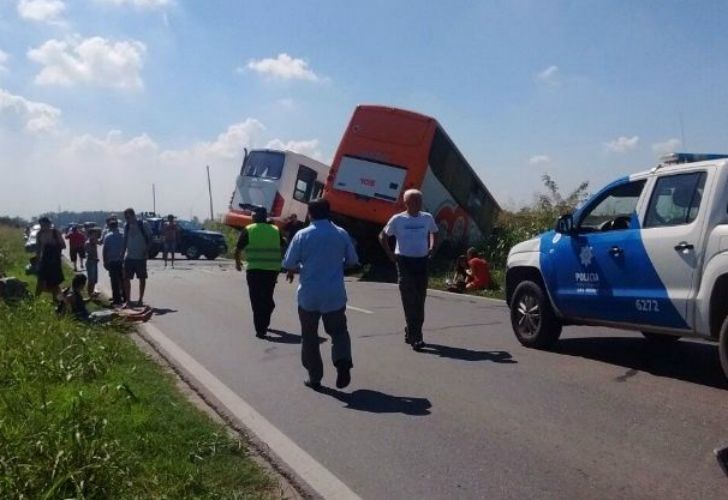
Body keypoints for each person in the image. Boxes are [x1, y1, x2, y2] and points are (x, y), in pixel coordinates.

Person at [283, 198, 359, 390]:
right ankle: (342, 363)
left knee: (309, 336)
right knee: (339, 332)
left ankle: (314, 377)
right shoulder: (341, 234)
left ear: (310, 213)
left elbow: (289, 263)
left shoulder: (302, 235)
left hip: (309, 295)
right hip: (334, 295)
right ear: (329, 212)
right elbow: (352, 260)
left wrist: (303, 267)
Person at [378, 189, 438, 351]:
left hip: (421, 262)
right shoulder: (398, 219)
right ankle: (416, 337)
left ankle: (411, 330)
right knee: (409, 298)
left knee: (420, 299)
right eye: (414, 201)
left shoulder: (427, 218)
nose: (418, 204)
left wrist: (432, 247)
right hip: (404, 262)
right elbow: (382, 236)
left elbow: (434, 233)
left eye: (419, 201)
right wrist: (390, 254)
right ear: (406, 203)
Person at [234, 206, 285, 338]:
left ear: (255, 217)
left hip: (254, 269)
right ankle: (264, 322)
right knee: (267, 297)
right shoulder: (275, 230)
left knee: (256, 299)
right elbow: (283, 246)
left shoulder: (249, 229)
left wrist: (237, 262)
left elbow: (238, 248)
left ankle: (260, 329)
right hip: (272, 270)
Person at [59, 274, 152, 323]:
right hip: (86, 319)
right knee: (114, 315)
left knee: (116, 311)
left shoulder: (75, 293)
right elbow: (64, 306)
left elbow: (80, 303)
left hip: (88, 315)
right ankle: (141, 317)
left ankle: (139, 314)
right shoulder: (72, 295)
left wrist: (90, 298)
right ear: (81, 284)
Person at [121, 208, 151, 307]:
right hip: (129, 256)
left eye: (128, 217)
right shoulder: (126, 226)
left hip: (141, 257)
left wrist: (146, 251)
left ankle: (140, 299)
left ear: (133, 215)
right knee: (126, 278)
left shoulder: (143, 224)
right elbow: (125, 241)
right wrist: (122, 254)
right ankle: (128, 301)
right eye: (126, 218)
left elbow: (150, 239)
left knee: (142, 278)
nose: (127, 219)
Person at [35, 216, 65, 299]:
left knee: (54, 283)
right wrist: (38, 262)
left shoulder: (55, 232)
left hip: (55, 261)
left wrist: (53, 245)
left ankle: (57, 299)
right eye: (41, 225)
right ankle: (35, 300)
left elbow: (63, 245)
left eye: (44, 225)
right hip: (44, 260)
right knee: (40, 282)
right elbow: (38, 249)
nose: (43, 227)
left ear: (49, 224)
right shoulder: (39, 234)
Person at [103, 219, 126, 305]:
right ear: (117, 226)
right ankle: (125, 296)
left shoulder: (107, 236)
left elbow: (105, 250)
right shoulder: (122, 235)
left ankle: (117, 299)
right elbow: (125, 247)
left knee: (114, 281)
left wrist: (105, 261)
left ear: (109, 226)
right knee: (123, 279)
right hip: (121, 260)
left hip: (112, 261)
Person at [84, 229, 100, 297]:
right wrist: (94, 258)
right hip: (91, 262)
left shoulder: (93, 242)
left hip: (94, 262)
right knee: (91, 279)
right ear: (90, 235)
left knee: (94, 280)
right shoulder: (88, 243)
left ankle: (92, 293)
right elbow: (88, 253)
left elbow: (100, 243)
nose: (95, 236)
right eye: (94, 234)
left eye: (96, 235)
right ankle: (90, 294)